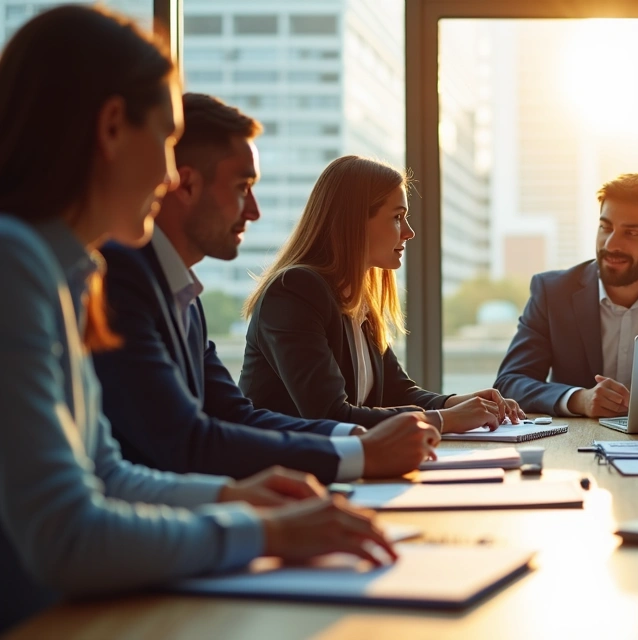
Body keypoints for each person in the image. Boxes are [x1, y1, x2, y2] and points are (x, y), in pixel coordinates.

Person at [0, 7, 395, 632]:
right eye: (163, 142)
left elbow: (107, 474)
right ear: (110, 129)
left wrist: (234, 496)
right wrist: (263, 530)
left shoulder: (65, 273)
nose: (167, 177)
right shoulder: (16, 260)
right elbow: (68, 534)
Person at [93, 94, 439, 484]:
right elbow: (185, 440)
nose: (254, 211)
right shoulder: (121, 280)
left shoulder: (185, 299)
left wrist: (355, 441)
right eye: (243, 187)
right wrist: (359, 452)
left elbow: (235, 414)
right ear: (185, 184)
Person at [240, 155, 525, 432]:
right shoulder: (294, 290)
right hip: (280, 471)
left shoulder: (358, 300)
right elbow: (330, 415)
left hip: (342, 469)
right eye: (398, 217)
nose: (409, 232)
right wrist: (444, 419)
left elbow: (397, 392)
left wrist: (460, 404)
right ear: (353, 221)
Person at [494, 173, 638, 418]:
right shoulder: (553, 292)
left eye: (631, 233)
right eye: (606, 227)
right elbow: (510, 383)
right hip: (576, 447)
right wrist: (578, 399)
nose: (611, 244)